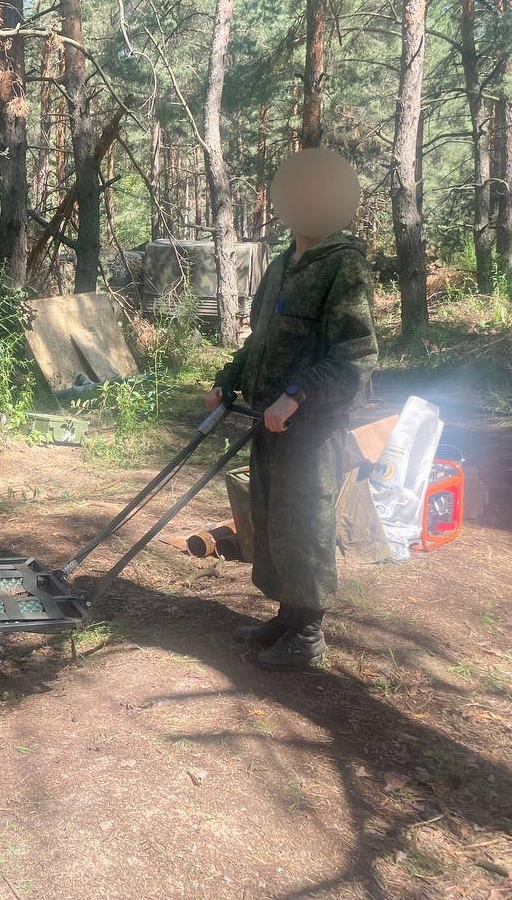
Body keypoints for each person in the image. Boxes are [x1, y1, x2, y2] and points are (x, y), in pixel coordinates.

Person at [206, 148, 378, 671]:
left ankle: (308, 632)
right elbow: (258, 339)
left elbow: (355, 354)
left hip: (313, 425)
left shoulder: (344, 264)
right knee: (271, 518)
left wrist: (298, 394)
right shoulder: (282, 265)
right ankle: (288, 614)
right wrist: (229, 380)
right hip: (269, 419)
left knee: (305, 522)